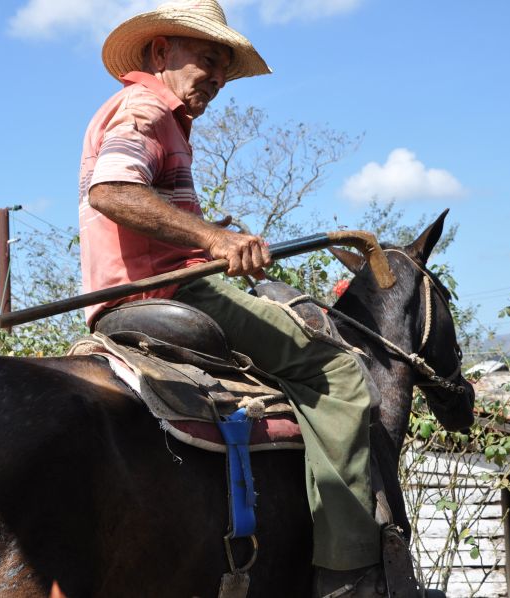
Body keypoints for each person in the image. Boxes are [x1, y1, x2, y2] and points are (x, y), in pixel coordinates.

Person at [78, 1, 387, 595]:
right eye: (208, 60)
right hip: (169, 291)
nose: (217, 78)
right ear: (160, 52)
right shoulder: (146, 108)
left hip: (142, 286)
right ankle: (348, 570)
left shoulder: (161, 118)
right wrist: (214, 239)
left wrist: (208, 236)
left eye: (224, 68)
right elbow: (113, 191)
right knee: (338, 373)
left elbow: (142, 207)